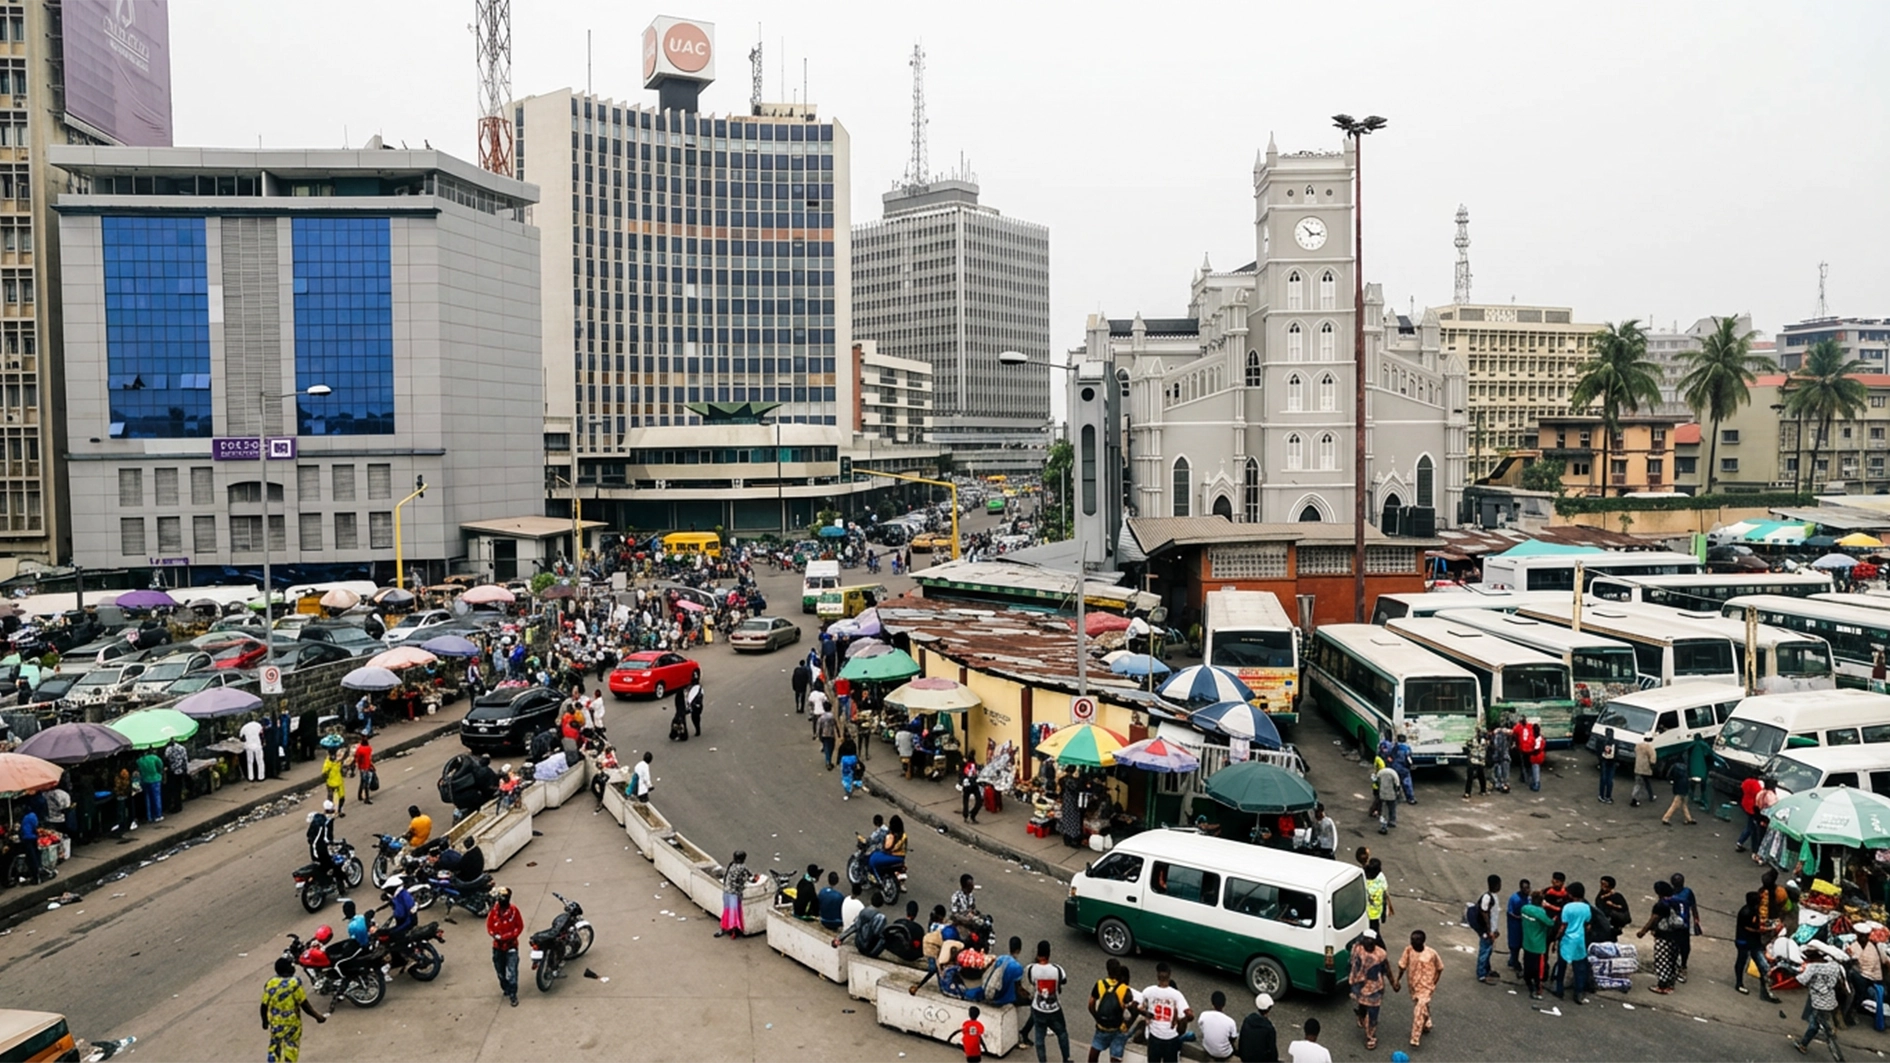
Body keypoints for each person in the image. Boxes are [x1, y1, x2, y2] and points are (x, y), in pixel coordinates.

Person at [261, 955, 324, 1062]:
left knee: (275, 1045)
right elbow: (305, 1005)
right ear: (288, 969)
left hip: (275, 1023)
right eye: (292, 966)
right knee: (291, 1046)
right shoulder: (294, 983)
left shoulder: (270, 983)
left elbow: (263, 1005)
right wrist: (318, 1017)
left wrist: (265, 1021)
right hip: (291, 1023)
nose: (294, 968)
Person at [1391, 928, 1443, 1049]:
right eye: (1412, 940)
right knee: (1421, 1006)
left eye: (1416, 941)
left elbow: (1440, 968)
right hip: (1413, 985)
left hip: (1426, 987)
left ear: (1423, 941)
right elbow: (1402, 966)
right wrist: (1397, 980)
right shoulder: (1408, 950)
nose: (1413, 943)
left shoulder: (1431, 953)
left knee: (1419, 1011)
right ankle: (1427, 1022)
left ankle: (1415, 1037)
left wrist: (1434, 982)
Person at [1024, 940, 1071, 1063]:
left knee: (1040, 1039)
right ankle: (1066, 1059)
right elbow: (1064, 981)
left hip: (1038, 1009)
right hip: (1055, 1009)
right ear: (1049, 954)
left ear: (1038, 954)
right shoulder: (1058, 970)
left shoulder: (1031, 969)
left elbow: (1031, 982)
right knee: (1062, 1034)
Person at [1794, 947, 1845, 1059]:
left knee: (1828, 1033)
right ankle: (1803, 1044)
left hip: (1819, 1002)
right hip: (1830, 1001)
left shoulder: (1813, 967)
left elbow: (1801, 980)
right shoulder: (1834, 966)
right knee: (1814, 1023)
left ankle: (1838, 1058)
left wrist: (1798, 971)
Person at [1734, 890, 1783, 1002]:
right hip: (1744, 941)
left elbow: (1759, 923)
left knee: (1764, 966)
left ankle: (1765, 991)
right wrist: (1770, 928)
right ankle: (1739, 983)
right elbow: (1754, 928)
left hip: (1754, 942)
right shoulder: (1746, 912)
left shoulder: (1753, 910)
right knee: (1741, 961)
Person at [1138, 962, 1192, 1063]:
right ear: (1169, 975)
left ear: (1157, 976)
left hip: (1154, 1037)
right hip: (1171, 1038)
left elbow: (1138, 1007)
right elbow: (1188, 1015)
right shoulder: (1177, 995)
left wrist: (1147, 1014)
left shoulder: (1148, 991)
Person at [1550, 881, 1593, 1004]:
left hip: (1567, 940)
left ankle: (1559, 990)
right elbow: (1587, 925)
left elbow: (1563, 926)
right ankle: (1578, 993)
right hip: (1580, 941)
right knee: (1579, 968)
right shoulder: (1586, 907)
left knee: (1561, 965)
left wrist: (1556, 939)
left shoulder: (1567, 908)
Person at [1087, 959, 1137, 1063]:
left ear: (1107, 970)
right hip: (1117, 1028)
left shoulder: (1100, 984)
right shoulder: (1124, 989)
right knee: (1115, 1058)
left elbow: (1091, 1004)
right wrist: (1127, 1024)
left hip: (1102, 1028)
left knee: (1093, 1056)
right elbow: (1133, 1011)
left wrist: (1097, 1018)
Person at [1348, 928, 1389, 1051]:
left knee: (1373, 1014)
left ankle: (1370, 1037)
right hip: (1359, 986)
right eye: (1367, 940)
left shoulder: (1380, 954)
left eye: (1372, 941)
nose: (1369, 943)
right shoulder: (1357, 949)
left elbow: (1386, 969)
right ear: (1363, 940)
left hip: (1374, 990)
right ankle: (1361, 1016)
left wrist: (1393, 982)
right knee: (1362, 1005)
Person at [1637, 899, 1684, 994]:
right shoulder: (1675, 905)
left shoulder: (1661, 908)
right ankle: (1670, 985)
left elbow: (1654, 919)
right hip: (1675, 939)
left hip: (1663, 939)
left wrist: (1643, 931)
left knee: (1662, 961)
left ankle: (1662, 986)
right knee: (1672, 962)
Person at [486, 885, 522, 1006]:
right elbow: (489, 926)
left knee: (512, 971)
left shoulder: (513, 911)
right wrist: (495, 935)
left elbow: (519, 926)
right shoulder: (494, 912)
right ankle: (505, 987)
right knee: (500, 971)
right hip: (498, 947)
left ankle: (513, 993)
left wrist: (509, 936)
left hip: (511, 945)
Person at [1519, 890, 1554, 1001]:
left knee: (1527, 963)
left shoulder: (1524, 909)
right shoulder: (1540, 912)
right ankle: (1537, 989)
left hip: (1527, 942)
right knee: (1538, 970)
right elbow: (1550, 923)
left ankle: (1527, 979)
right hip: (1538, 946)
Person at [1668, 872, 1702, 979]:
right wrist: (1696, 918)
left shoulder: (1670, 895)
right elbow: (1693, 906)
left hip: (1674, 925)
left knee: (1676, 946)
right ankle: (1682, 966)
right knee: (1684, 947)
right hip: (1683, 925)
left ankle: (1675, 966)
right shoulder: (1687, 892)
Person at [717, 850, 755, 939]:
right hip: (735, 893)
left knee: (727, 911)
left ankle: (724, 927)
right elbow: (750, 877)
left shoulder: (731, 865)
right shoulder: (741, 867)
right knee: (735, 913)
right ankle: (734, 931)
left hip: (726, 891)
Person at [1472, 874, 1502, 983]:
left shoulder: (1493, 897)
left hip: (1491, 930)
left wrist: (1495, 930)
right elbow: (1485, 914)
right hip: (1486, 931)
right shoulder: (1487, 897)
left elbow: (1493, 915)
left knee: (1488, 950)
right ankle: (1481, 974)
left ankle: (1486, 969)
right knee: (1484, 951)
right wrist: (1489, 931)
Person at [1236, 992, 1278, 1063]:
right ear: (1269, 1008)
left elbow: (1242, 1040)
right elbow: (1272, 1049)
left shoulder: (1247, 1020)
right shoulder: (1269, 1028)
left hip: (1245, 1058)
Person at [1592, 875, 1632, 945]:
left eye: (1604, 884)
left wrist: (1612, 905)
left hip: (1613, 924)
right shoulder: (1601, 896)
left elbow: (1623, 908)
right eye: (1601, 884)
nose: (1602, 886)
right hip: (1603, 923)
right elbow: (1599, 904)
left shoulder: (1617, 896)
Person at [869, 814, 907, 881]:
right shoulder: (904, 835)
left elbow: (887, 847)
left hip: (893, 856)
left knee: (873, 858)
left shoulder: (891, 835)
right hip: (902, 857)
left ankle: (876, 878)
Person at [1505, 878, 1532, 973]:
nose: (1527, 890)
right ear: (1521, 888)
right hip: (1515, 926)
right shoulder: (1514, 898)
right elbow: (1510, 912)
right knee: (1515, 946)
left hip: (1525, 926)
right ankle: (1514, 962)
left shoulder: (1529, 899)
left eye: (1528, 888)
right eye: (1524, 888)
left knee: (1524, 945)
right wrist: (1519, 917)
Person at [1661, 754, 1696, 825]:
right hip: (1685, 786)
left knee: (1677, 804)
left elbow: (1669, 776)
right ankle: (1667, 818)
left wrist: (1671, 781)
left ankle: (1667, 818)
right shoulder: (1686, 767)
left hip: (1678, 787)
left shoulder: (1674, 767)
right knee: (1682, 804)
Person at [1736, 774, 1766, 853]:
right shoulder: (1757, 786)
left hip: (1745, 804)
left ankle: (1741, 842)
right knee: (1751, 827)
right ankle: (1741, 842)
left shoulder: (1747, 782)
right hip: (1753, 808)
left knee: (1750, 825)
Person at [135, 747, 165, 824]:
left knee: (147, 798)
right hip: (155, 778)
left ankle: (149, 816)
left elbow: (140, 771)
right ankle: (158, 815)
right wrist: (159, 773)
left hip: (145, 780)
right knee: (156, 797)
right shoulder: (154, 758)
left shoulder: (139, 761)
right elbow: (160, 766)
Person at [162, 736, 189, 816]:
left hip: (172, 772)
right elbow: (185, 760)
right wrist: (185, 770)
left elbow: (166, 759)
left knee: (172, 790)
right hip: (180, 771)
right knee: (179, 789)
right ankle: (179, 805)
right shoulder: (182, 748)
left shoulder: (168, 750)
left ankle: (174, 806)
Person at [1365, 859, 1394, 932]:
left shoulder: (1365, 881)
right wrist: (1390, 906)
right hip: (1376, 911)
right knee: (1374, 930)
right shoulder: (1381, 879)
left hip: (1365, 911)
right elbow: (1386, 893)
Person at [1463, 726, 1489, 799]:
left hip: (1480, 760)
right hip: (1473, 759)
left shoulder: (1485, 741)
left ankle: (1483, 790)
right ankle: (1467, 792)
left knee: (1481, 775)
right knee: (1470, 776)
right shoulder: (1472, 740)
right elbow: (1466, 746)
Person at [1374, 759, 1400, 833]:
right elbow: (1397, 784)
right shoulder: (1393, 773)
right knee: (1392, 808)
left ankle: (1383, 824)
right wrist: (1397, 793)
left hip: (1382, 794)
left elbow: (1377, 782)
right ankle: (1392, 821)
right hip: (1392, 795)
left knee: (1384, 809)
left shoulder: (1380, 772)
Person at [1630, 737, 1657, 807]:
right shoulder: (1650, 747)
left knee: (1639, 783)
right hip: (1646, 768)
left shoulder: (1638, 746)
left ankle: (1651, 795)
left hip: (1638, 767)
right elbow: (1653, 760)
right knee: (1643, 783)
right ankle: (1634, 799)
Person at [320, 748, 345, 819]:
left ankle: (339, 811)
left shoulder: (338, 761)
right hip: (330, 783)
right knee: (330, 798)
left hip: (339, 781)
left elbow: (341, 768)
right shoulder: (327, 763)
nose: (334, 756)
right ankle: (330, 812)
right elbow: (323, 774)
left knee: (342, 798)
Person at [241, 716, 266, 782]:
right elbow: (262, 735)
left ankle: (251, 777)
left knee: (250, 762)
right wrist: (262, 742)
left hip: (249, 746)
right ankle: (261, 777)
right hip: (257, 745)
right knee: (260, 761)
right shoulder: (258, 725)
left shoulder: (244, 727)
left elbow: (241, 737)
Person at [1597, 727, 1618, 804]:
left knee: (1603, 779)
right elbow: (1617, 753)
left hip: (1604, 761)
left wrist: (1600, 760)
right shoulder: (1615, 742)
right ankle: (1608, 796)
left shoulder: (1602, 741)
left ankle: (1601, 795)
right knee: (1610, 780)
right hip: (1612, 762)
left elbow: (1598, 751)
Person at [353, 738, 375, 807]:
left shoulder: (359, 749)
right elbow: (369, 758)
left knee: (363, 781)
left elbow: (357, 759)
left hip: (362, 768)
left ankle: (360, 795)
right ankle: (366, 798)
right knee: (366, 783)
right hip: (367, 767)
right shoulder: (369, 748)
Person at [815, 706, 839, 771]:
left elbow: (819, 727)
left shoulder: (822, 718)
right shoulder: (832, 717)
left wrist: (818, 735)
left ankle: (828, 761)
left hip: (824, 735)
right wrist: (838, 734)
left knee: (826, 748)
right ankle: (829, 761)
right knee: (831, 748)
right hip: (831, 735)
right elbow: (836, 725)